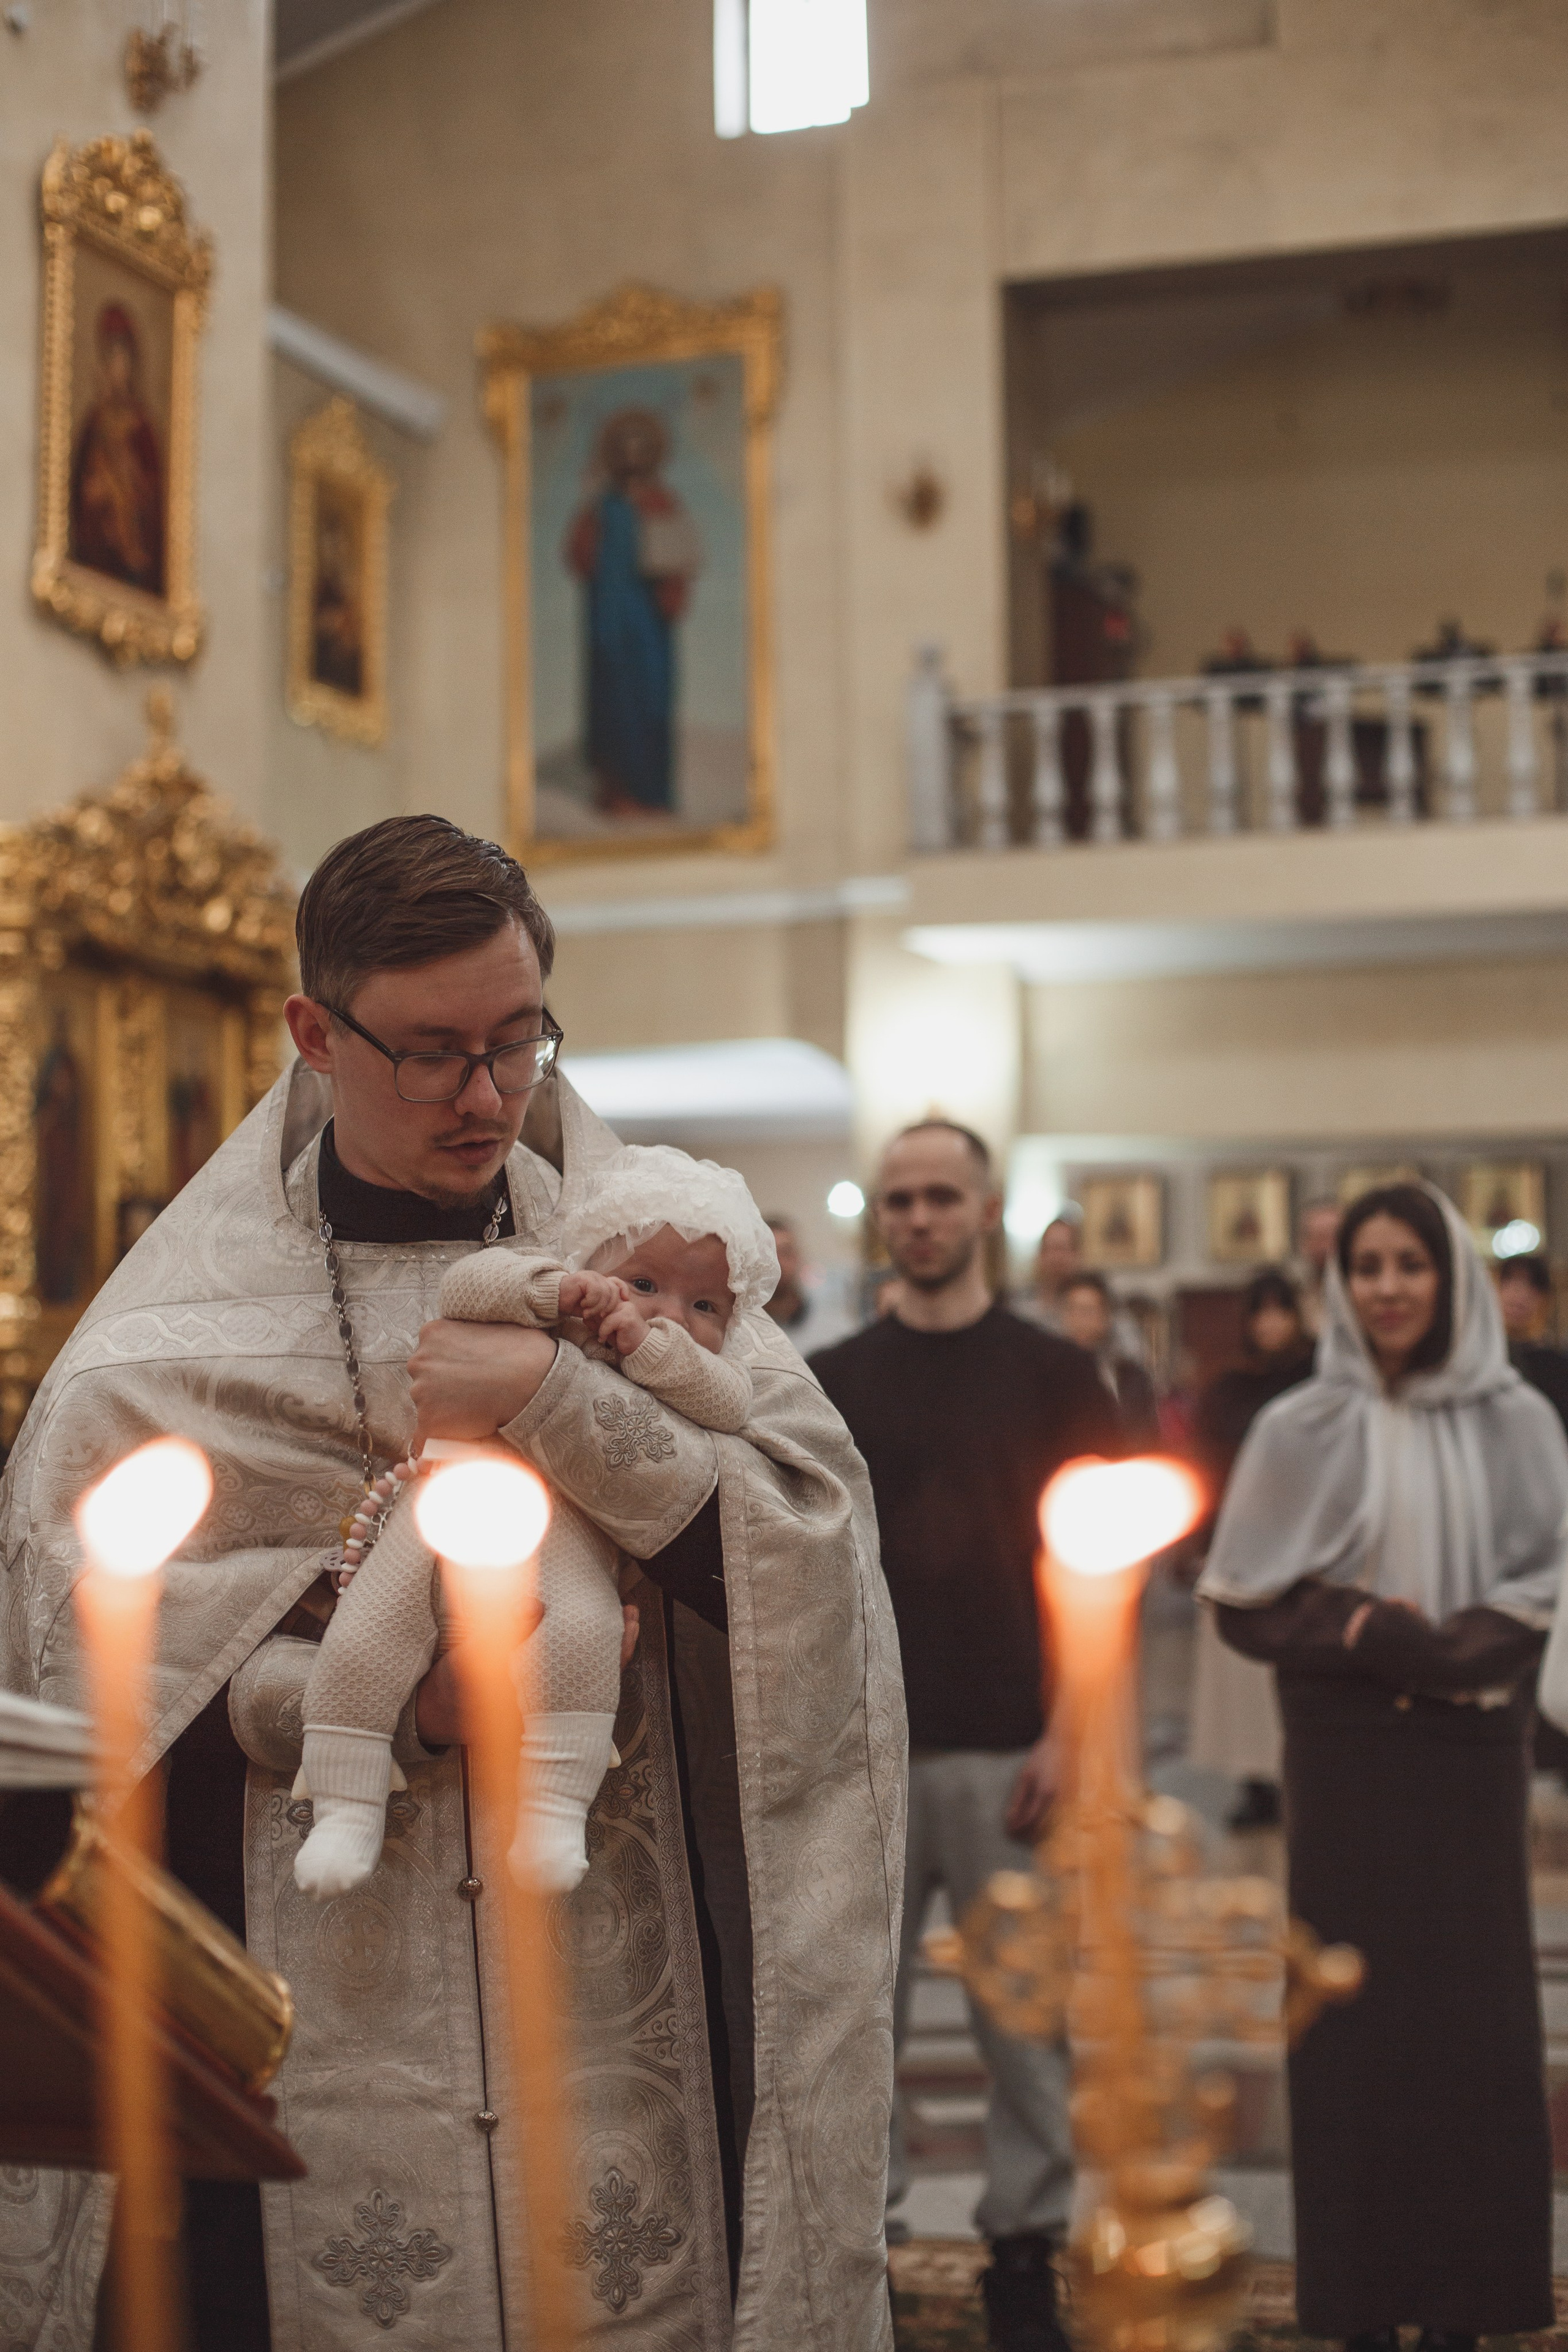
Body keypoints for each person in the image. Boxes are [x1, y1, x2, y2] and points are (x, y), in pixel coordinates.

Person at [0, 816, 905, 2352]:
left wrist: (559, 1401)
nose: (488, 1096)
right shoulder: (161, 1347)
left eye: (518, 1040)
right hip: (310, 1992)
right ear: (314, 1032)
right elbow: (74, 1671)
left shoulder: (641, 1266)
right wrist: (363, 1704)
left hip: (617, 2007)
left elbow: (809, 1556)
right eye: (430, 1053)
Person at [1199, 1183, 1566, 2346]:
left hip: (1467, 1749)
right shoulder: (1301, 1424)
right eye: (1369, 1266)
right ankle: (1360, 2303)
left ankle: (1465, 2304)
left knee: (1472, 2024)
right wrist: (1361, 1632)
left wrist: (1435, 1647)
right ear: (1340, 1285)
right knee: (1348, 2020)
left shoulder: (1520, 1422)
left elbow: (1545, 1578)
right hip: (1347, 1755)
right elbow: (1245, 1602)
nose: (1391, 1286)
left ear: (1451, 1277)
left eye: (1413, 1263)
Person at [811, 1123, 1120, 2352]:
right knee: (856, 2026)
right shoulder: (831, 1377)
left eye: (941, 1195)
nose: (919, 1216)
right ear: (878, 1218)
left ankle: (1023, 2252)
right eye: (899, 1198)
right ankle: (863, 2252)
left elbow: (1099, 1568)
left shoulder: (1055, 1376)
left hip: (1011, 1751)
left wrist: (1070, 1733)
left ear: (984, 1208)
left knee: (1023, 2021)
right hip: (864, 1760)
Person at [293, 1147, 777, 1898]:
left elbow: (730, 1404)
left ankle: (554, 1813)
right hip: (447, 1496)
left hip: (570, 1531)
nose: (670, 1314)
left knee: (583, 1628)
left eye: (703, 1306)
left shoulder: (672, 1359)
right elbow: (469, 1283)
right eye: (644, 1284)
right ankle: (344, 1806)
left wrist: (648, 1350)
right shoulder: (563, 1303)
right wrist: (558, 1292)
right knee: (371, 1627)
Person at [1184, 1269, 1316, 1831]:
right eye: (1259, 1312)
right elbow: (1202, 1469)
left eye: (1280, 1310)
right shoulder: (1228, 1388)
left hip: (1301, 1548)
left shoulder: (1317, 1385)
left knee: (1291, 1672)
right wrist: (1198, 1541)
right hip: (1236, 1545)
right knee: (1240, 1679)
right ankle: (1253, 1784)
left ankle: (1298, 1780)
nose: (1270, 1324)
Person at [564, 407, 701, 818]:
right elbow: (578, 554)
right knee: (613, 702)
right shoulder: (602, 505)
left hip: (648, 623)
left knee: (649, 702)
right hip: (609, 620)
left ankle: (651, 792)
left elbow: (680, 555)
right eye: (623, 448)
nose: (632, 457)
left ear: (652, 454)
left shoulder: (661, 501)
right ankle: (616, 792)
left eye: (640, 448)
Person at [69, 301, 164, 595]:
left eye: (120, 356)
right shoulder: (95, 422)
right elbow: (76, 487)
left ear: (132, 362)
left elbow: (153, 494)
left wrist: (127, 482)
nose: (114, 366)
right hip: (95, 547)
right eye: (108, 356)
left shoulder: (142, 426)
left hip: (132, 548)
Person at [1057, 1269, 1160, 1447]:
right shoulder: (1050, 1374)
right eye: (1074, 1310)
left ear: (1105, 1316)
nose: (1081, 1320)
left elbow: (1145, 1434)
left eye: (1088, 1311)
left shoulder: (1129, 1375)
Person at [763, 1210, 855, 1354]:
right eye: (767, 1253)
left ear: (798, 1256)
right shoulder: (736, 1332)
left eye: (785, 1252)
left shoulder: (837, 1331)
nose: (777, 1262)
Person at [1496, 1252, 1568, 1431]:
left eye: (1532, 1286)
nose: (1519, 1294)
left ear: (1545, 1300)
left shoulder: (1557, 1366)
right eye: (1510, 1282)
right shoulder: (1481, 1360)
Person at [1294, 1194, 1342, 1338]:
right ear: (1304, 1244)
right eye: (1318, 1237)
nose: (1326, 1247)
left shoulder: (1364, 1293)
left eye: (1333, 1237)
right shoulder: (1296, 1298)